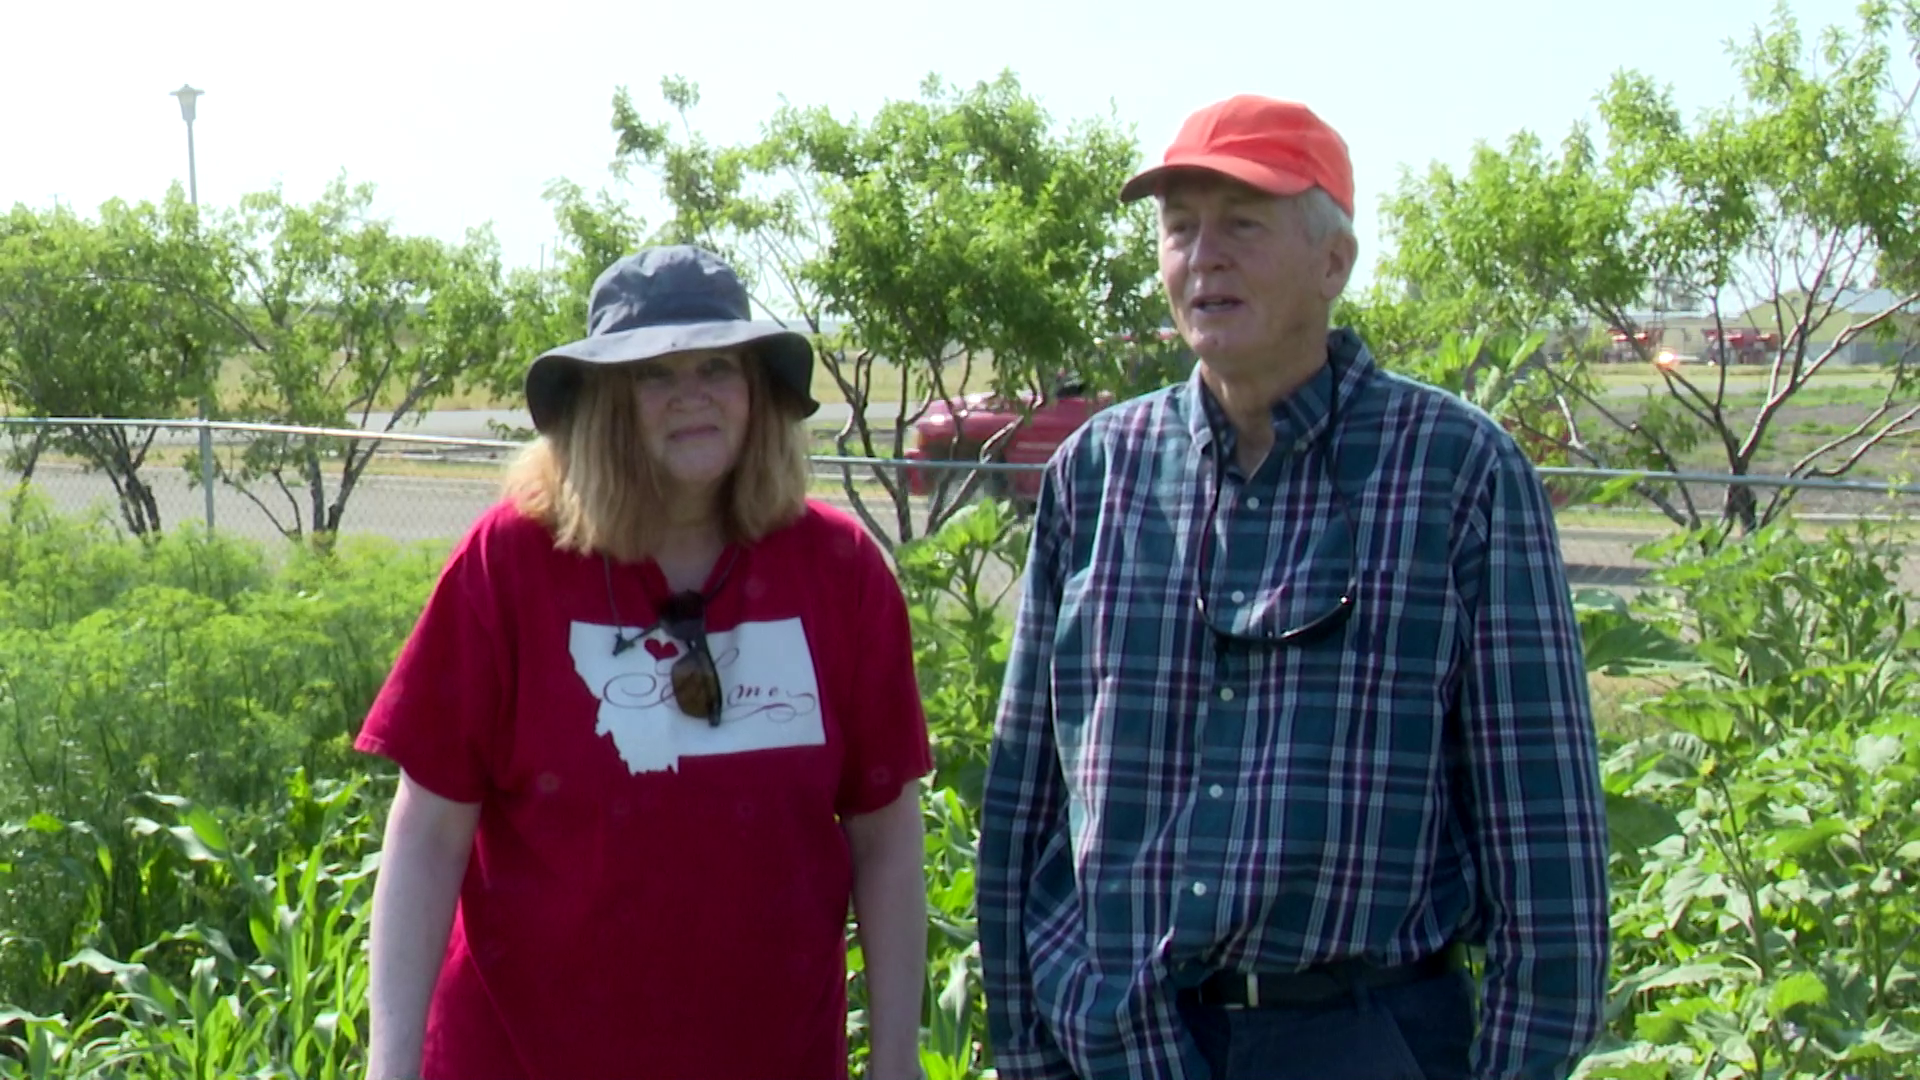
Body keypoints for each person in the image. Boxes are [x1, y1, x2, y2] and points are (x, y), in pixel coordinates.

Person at [977, 95, 1610, 1080]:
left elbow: (1546, 834)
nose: (1204, 255)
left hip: (1358, 1034)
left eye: (1242, 224)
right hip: (1123, 1041)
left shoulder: (1455, 473)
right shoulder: (1098, 471)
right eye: (1179, 228)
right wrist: (1026, 1049)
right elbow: (1027, 804)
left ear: (1334, 261)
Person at [357, 244, 934, 1080]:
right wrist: (390, 1067)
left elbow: (883, 834)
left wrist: (897, 1060)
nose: (691, 396)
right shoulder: (512, 561)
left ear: (758, 392)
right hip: (518, 1055)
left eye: (716, 367)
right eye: (655, 374)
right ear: (604, 403)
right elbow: (429, 829)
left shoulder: (838, 569)